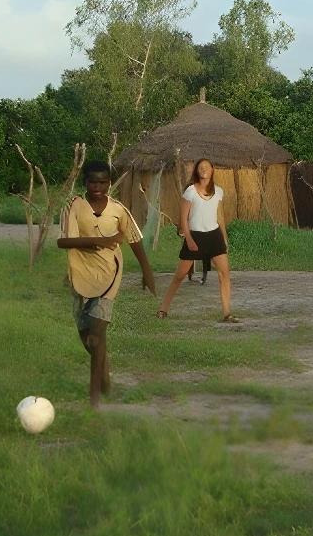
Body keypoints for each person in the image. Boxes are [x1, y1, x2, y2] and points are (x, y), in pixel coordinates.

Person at [57, 160, 157, 409]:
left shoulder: (119, 210)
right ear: (85, 182)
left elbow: (133, 239)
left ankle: (94, 400)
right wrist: (100, 240)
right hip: (80, 276)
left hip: (109, 277)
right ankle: (105, 376)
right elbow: (64, 242)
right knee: (87, 337)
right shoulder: (75, 206)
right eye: (93, 182)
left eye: (102, 182)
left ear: (109, 183)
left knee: (95, 338)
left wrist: (147, 272)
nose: (97, 187)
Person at [156, 158, 237, 323]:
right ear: (197, 171)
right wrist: (190, 239)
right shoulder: (190, 192)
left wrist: (224, 238)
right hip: (195, 236)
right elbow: (183, 219)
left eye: (207, 166)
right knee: (180, 275)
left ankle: (227, 313)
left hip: (214, 236)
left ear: (212, 170)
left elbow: (220, 217)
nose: (204, 169)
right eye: (201, 167)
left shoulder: (219, 191)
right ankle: (163, 309)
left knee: (224, 274)